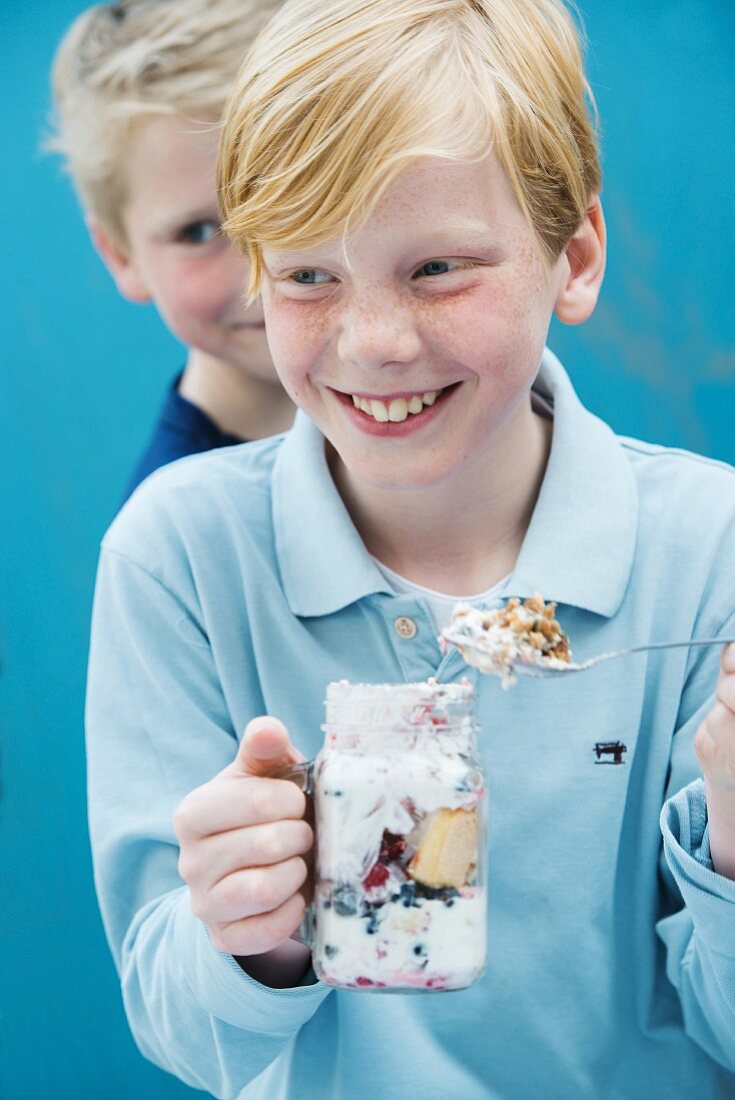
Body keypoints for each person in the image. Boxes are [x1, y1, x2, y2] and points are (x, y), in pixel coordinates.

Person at [86, 0, 735, 1096]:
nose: (375, 343)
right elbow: (180, 1026)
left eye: (437, 268)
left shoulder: (708, 548)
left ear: (572, 256)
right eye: (307, 275)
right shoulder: (180, 552)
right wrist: (254, 934)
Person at [49, 0, 293, 502]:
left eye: (288, 197)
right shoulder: (178, 537)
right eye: (199, 233)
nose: (263, 268)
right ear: (120, 255)